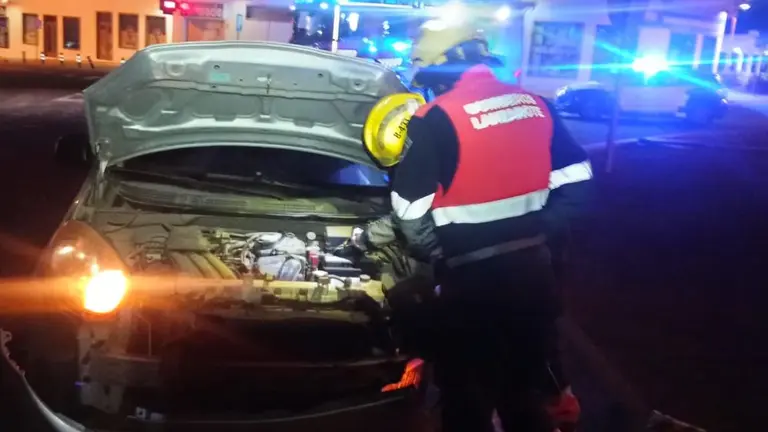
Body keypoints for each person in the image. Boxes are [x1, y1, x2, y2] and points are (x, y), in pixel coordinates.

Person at [356, 19, 593, 432]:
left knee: (467, 397)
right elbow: (579, 181)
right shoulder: (535, 104)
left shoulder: (434, 118)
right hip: (535, 274)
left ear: (436, 70)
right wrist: (538, 231)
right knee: (523, 390)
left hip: (472, 287)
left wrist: (439, 256)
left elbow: (410, 211)